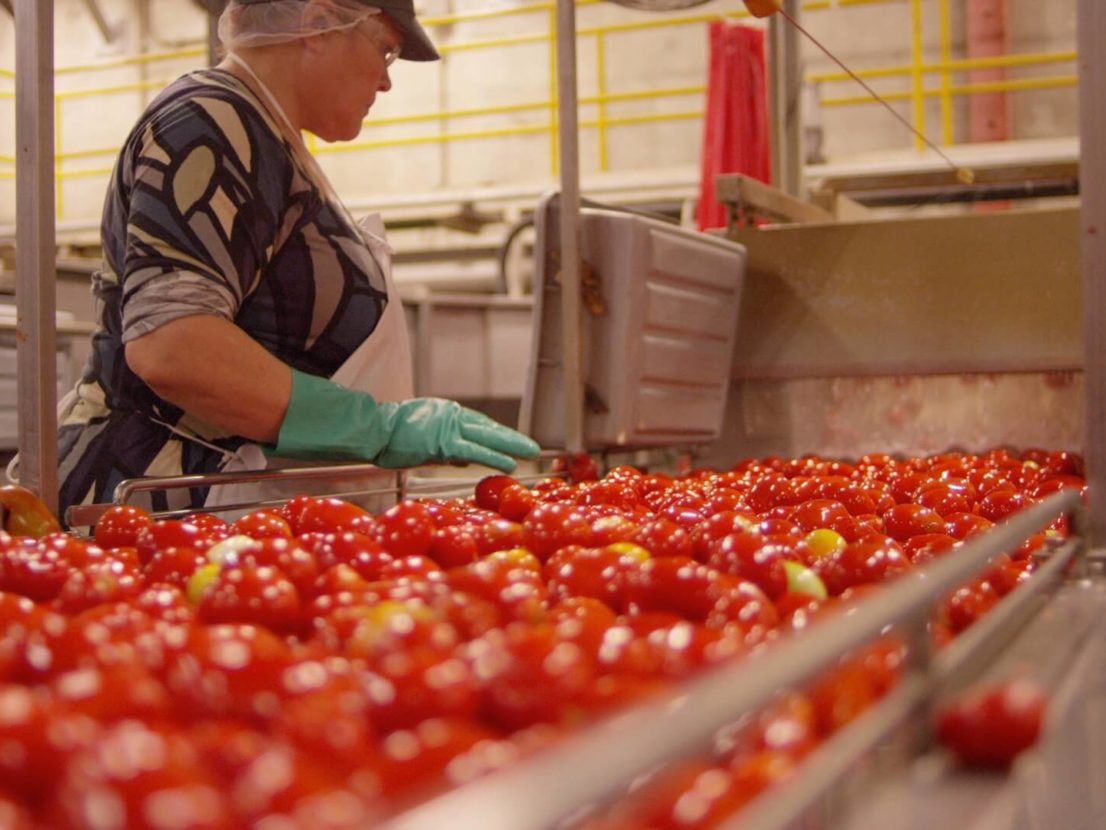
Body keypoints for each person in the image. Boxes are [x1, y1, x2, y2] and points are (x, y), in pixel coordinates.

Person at [55, 0, 540, 518]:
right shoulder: (210, 121)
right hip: (162, 507)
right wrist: (376, 428)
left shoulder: (264, 135)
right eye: (386, 50)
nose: (386, 81)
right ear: (318, 23)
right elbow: (172, 346)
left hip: (227, 511)